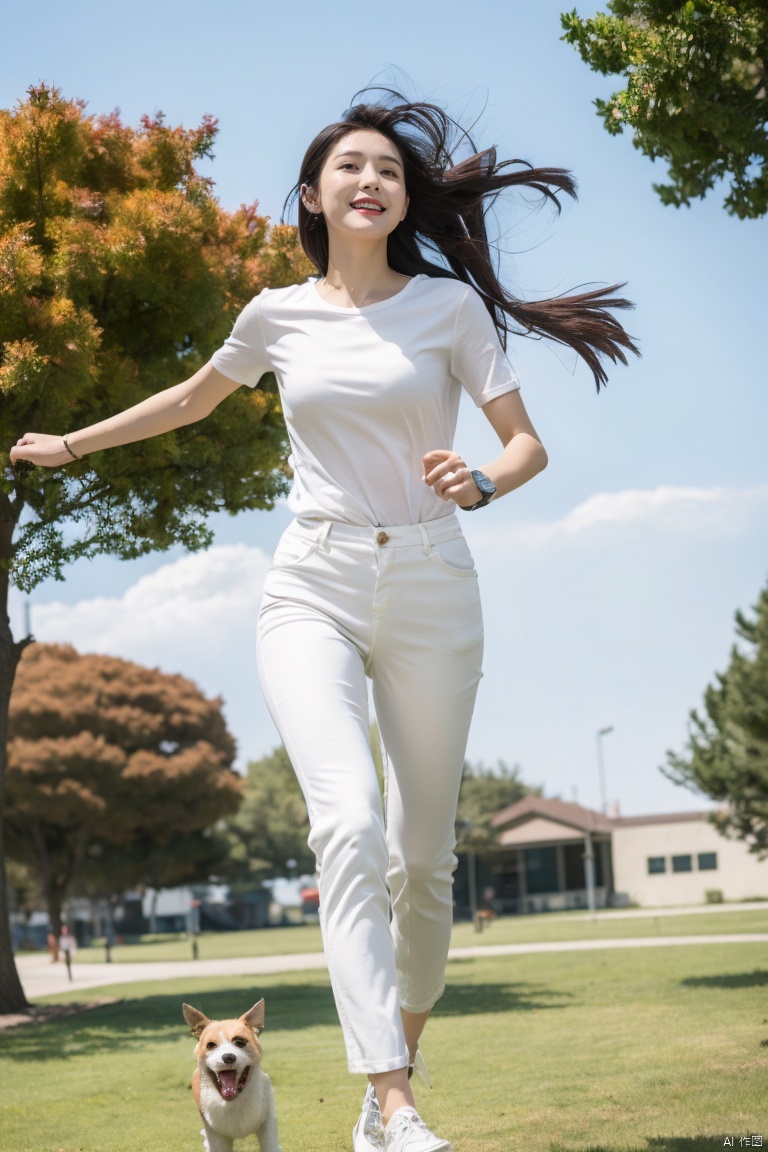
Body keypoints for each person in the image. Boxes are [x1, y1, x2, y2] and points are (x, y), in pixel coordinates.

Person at [10, 92, 637, 1152]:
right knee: (344, 825)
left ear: (402, 200)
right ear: (314, 195)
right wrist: (71, 442)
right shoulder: (274, 315)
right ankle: (393, 1101)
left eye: (388, 170)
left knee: (423, 861)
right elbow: (189, 402)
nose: (370, 180)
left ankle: (390, 1069)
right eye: (349, 166)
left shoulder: (448, 312)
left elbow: (526, 445)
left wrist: (481, 481)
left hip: (435, 580)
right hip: (313, 581)